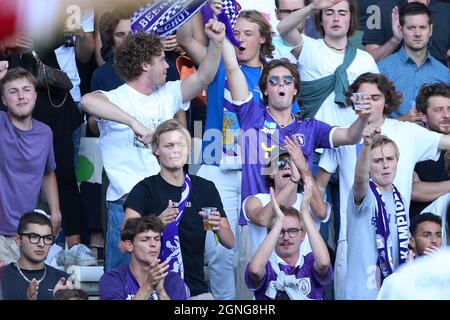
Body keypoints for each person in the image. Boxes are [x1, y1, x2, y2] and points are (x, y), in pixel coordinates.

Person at [81, 19, 226, 272]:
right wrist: (133, 122)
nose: (166, 66)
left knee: (165, 280)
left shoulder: (168, 93)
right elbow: (86, 101)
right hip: (125, 205)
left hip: (163, 203)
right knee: (124, 280)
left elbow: (206, 75)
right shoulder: (116, 97)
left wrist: (216, 42)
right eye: (161, 60)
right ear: (145, 64)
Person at [317, 72, 450, 299]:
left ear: (386, 101)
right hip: (353, 241)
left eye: (375, 98)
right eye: (363, 97)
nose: (369, 103)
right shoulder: (343, 134)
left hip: (397, 239)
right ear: (353, 100)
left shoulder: (407, 132)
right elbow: (320, 185)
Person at [177, 5, 277, 300]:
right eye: (237, 32)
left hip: (257, 171)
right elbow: (184, 39)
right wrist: (192, 6)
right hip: (213, 167)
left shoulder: (275, 74)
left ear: (263, 39)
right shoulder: (218, 59)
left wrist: (274, 174)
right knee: (218, 248)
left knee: (254, 247)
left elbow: (282, 125)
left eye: (248, 33)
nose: (241, 38)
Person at [124, 119, 235, 300]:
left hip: (195, 290)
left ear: (188, 150)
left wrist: (218, 227)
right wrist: (157, 223)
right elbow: (124, 242)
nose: (176, 149)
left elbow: (230, 242)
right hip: (152, 289)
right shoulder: (144, 189)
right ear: (156, 150)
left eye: (181, 145)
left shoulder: (205, 188)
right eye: (169, 145)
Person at [277, 0, 379, 124]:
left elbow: (377, 103)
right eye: (329, 13)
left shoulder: (365, 59)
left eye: (342, 13)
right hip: (316, 139)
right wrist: (313, 7)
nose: (336, 18)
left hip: (356, 139)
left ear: (350, 19)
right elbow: (283, 29)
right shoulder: (309, 47)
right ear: (320, 20)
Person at [0, 68, 61, 265]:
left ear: (35, 96)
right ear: (3, 100)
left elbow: (48, 172)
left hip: (26, 234)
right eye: (13, 91)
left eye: (26, 90)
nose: (21, 97)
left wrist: (56, 212)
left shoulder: (45, 133)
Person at [245, 176, 333, 300]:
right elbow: (254, 270)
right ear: (272, 235)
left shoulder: (309, 263)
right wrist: (279, 221)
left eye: (292, 231)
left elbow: (324, 263)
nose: (286, 237)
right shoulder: (267, 268)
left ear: (302, 235)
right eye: (280, 232)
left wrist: (305, 213)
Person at [243, 137, 330, 256]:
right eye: (280, 163)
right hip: (267, 274)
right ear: (271, 173)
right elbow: (262, 219)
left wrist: (303, 169)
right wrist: (293, 181)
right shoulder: (256, 200)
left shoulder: (310, 200)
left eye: (293, 163)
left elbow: (321, 213)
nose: (287, 167)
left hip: (305, 274)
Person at [377, 2, 450, 122]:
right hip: (395, 139)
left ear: (430, 30)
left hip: (435, 139)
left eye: (422, 27)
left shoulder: (444, 74)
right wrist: (403, 120)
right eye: (411, 28)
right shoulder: (383, 69)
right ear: (401, 30)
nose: (417, 34)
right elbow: (372, 120)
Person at [99, 215, 188, 300]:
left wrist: (161, 293)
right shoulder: (113, 279)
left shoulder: (172, 279)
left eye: (157, 239)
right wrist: (148, 285)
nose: (153, 244)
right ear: (129, 245)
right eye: (145, 239)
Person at [0, 211, 73, 300]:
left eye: (47, 238)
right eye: (34, 236)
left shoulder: (63, 280)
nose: (41, 244)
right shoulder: (3, 277)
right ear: (18, 239)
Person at [362, 0, 450, 66]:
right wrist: (394, 41)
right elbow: (368, 62)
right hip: (391, 83)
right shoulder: (378, 9)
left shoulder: (447, 11)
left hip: (438, 83)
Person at [410, 83, 450, 217]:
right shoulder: (412, 145)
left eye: (449, 109)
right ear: (422, 116)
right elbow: (413, 191)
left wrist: (430, 188)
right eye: (439, 110)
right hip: (422, 229)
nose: (447, 115)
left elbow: (423, 190)